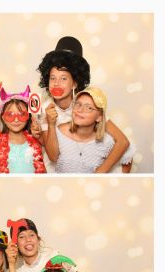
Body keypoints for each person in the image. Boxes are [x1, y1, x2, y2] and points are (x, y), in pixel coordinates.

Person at [34, 36, 133, 173]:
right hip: (58, 168)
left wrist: (101, 171)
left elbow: (123, 142)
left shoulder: (86, 103)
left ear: (74, 83)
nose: (56, 83)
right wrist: (46, 128)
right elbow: (53, 155)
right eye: (52, 78)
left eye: (63, 78)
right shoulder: (45, 109)